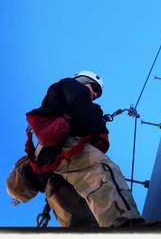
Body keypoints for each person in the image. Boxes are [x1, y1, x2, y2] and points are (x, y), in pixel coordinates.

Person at [25, 70, 141, 228]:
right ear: (82, 80)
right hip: (67, 148)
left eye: (96, 93)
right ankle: (127, 226)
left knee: (75, 209)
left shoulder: (59, 99)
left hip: (49, 159)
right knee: (102, 173)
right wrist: (98, 129)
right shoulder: (72, 86)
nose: (93, 93)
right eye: (93, 87)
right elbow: (84, 111)